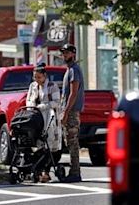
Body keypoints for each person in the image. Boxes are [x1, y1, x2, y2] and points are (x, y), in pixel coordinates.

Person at [26, 63, 62, 183]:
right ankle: (38, 170)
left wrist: (45, 106)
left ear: (45, 76)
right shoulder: (33, 86)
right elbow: (29, 99)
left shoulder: (52, 86)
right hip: (36, 117)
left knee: (50, 145)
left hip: (49, 117)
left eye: (39, 77)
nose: (37, 80)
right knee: (39, 144)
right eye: (35, 77)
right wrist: (31, 107)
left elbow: (57, 102)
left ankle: (46, 171)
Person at [59, 43, 85, 183]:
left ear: (73, 54)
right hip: (69, 111)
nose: (65, 55)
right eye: (63, 53)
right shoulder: (69, 70)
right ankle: (74, 171)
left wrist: (66, 112)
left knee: (72, 142)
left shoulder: (74, 70)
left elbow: (73, 93)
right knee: (69, 142)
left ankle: (75, 172)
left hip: (72, 112)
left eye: (67, 53)